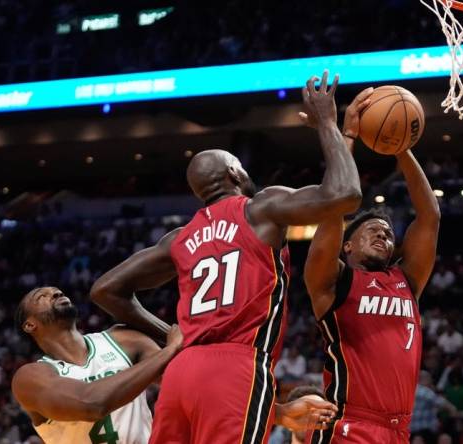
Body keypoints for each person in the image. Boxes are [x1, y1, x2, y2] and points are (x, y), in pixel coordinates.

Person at [90, 70, 356, 444]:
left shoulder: (179, 238)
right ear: (235, 171)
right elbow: (345, 194)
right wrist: (328, 122)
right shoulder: (259, 209)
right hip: (236, 365)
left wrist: (170, 336)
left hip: (181, 373)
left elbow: (105, 290)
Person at [303, 87, 441, 443]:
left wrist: (401, 149)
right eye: (372, 231)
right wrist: (346, 136)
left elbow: (429, 216)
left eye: (388, 233)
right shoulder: (333, 283)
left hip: (399, 429)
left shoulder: (405, 280)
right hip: (349, 425)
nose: (384, 236)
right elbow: (334, 205)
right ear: (346, 244)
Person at [11, 286, 184, 443]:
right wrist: (170, 349)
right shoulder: (30, 378)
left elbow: (180, 383)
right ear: (30, 325)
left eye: (59, 292)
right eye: (42, 296)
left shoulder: (124, 339)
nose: (57, 293)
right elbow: (92, 404)